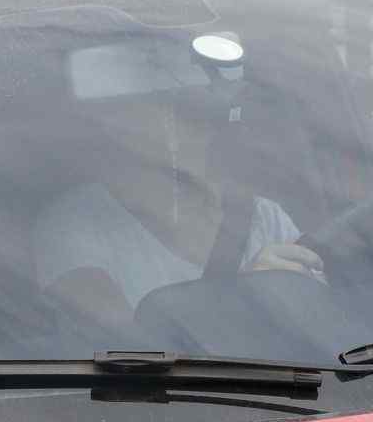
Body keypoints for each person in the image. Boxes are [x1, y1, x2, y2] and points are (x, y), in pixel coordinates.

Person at [35, 97, 322, 328]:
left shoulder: (265, 217)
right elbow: (119, 354)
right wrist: (241, 298)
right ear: (116, 122)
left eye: (195, 106)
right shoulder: (76, 225)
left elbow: (323, 322)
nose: (176, 118)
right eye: (164, 102)